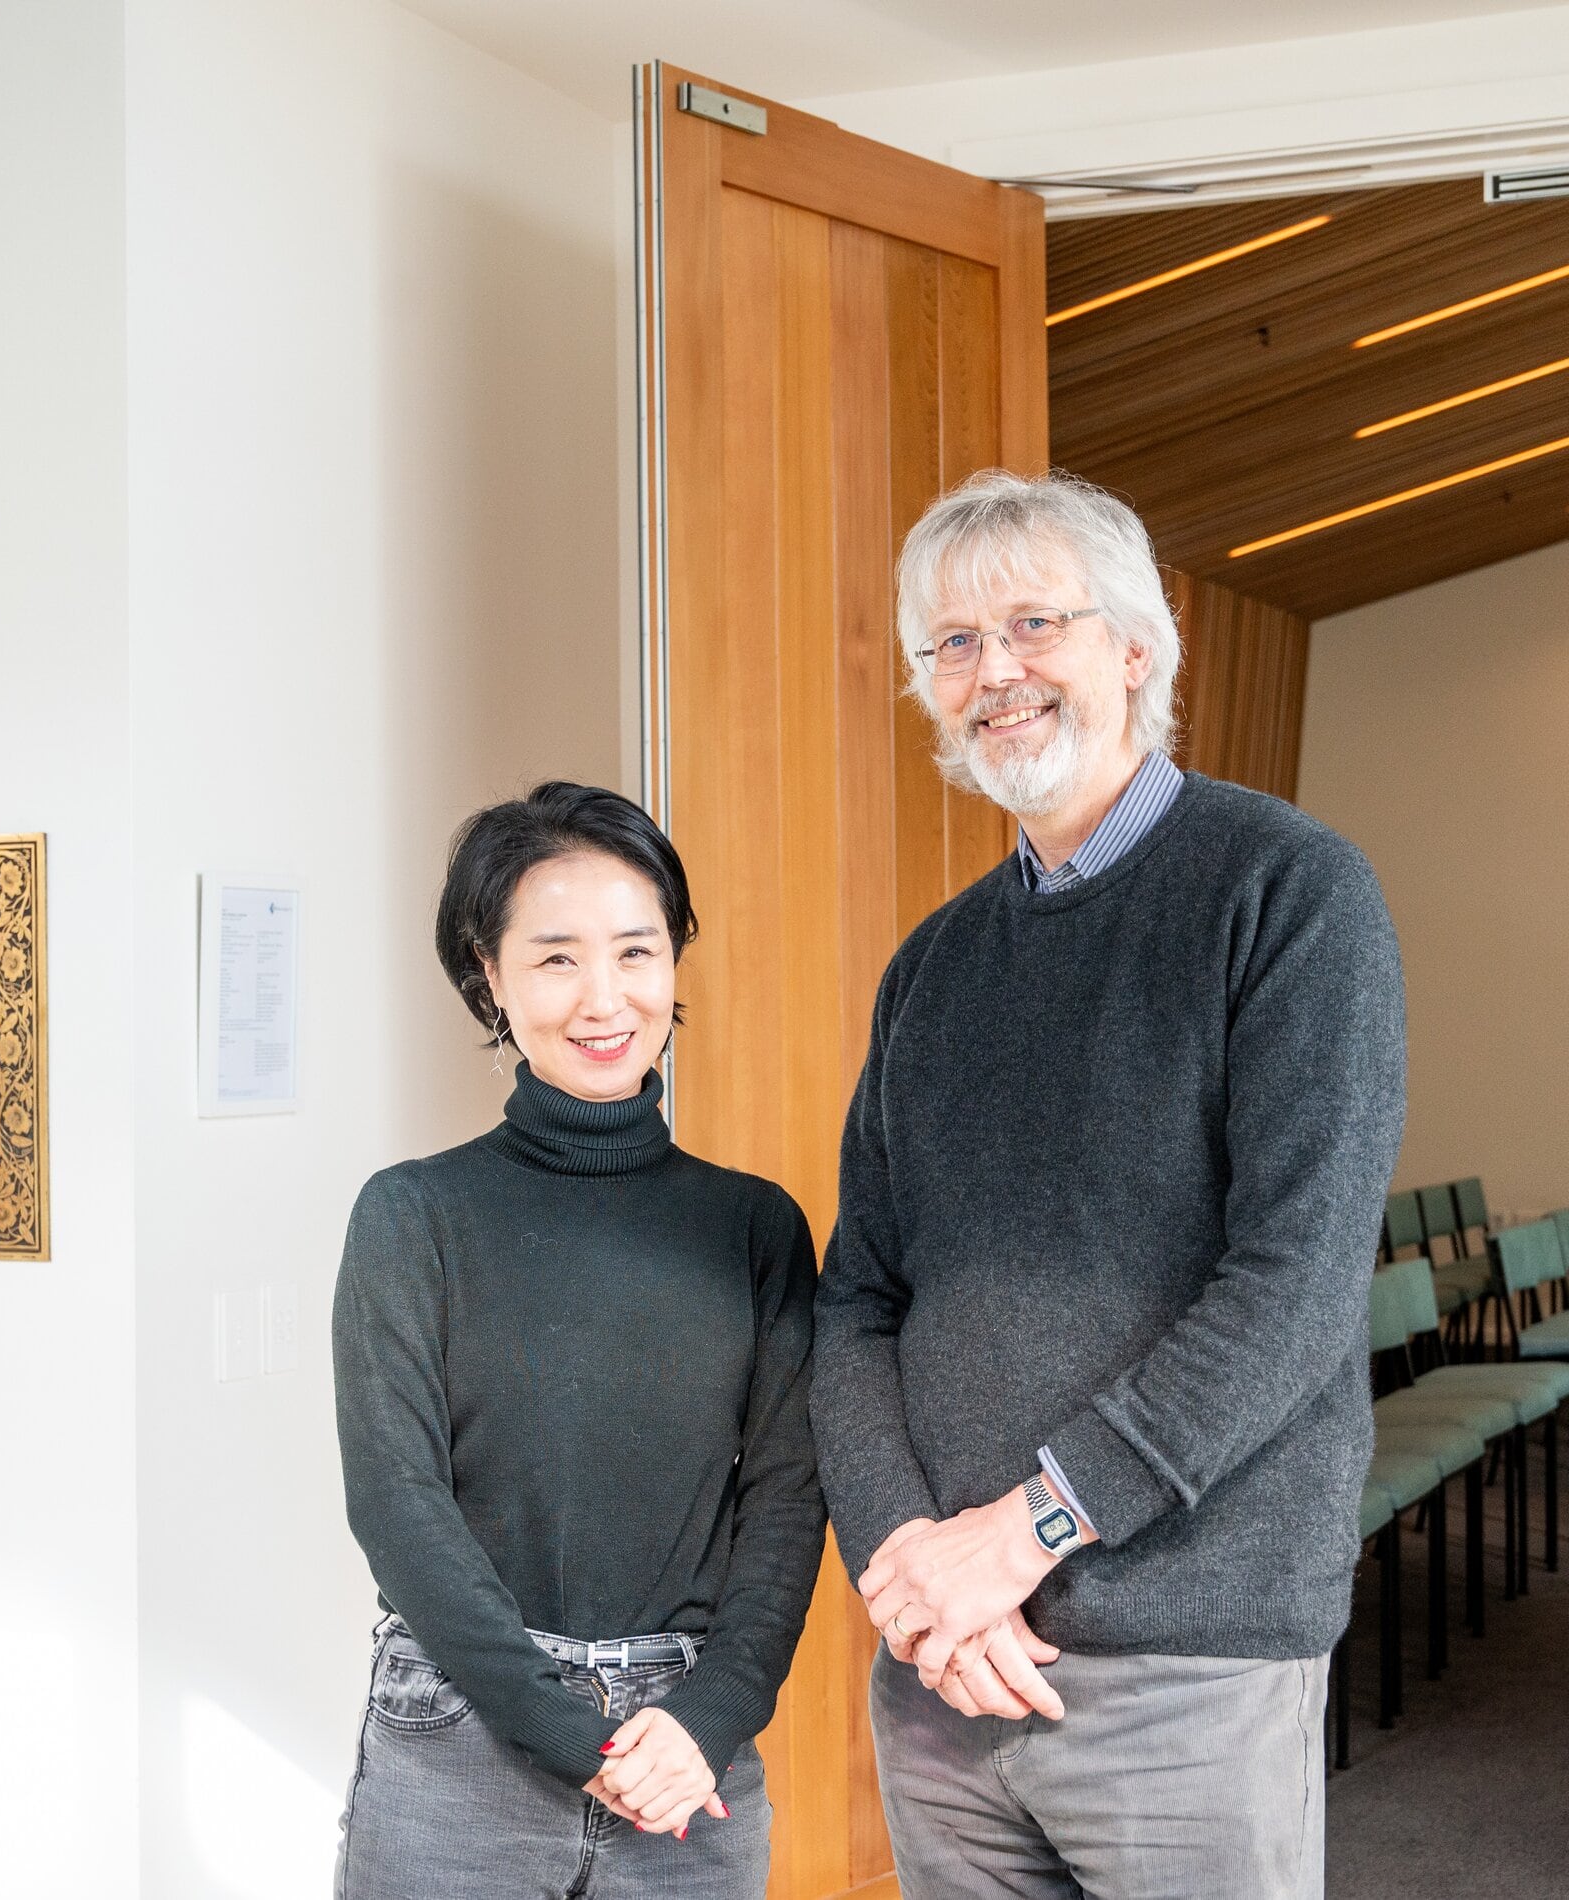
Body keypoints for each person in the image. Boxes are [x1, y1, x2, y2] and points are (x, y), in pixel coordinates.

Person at [811, 469, 1405, 1899]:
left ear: (1136, 648)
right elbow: (855, 1302)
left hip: (1190, 1666)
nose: (992, 671)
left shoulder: (1290, 893)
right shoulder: (933, 969)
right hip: (948, 1674)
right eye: (950, 645)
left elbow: (1299, 1283)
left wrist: (1025, 1535)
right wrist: (908, 1562)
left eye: (1032, 623)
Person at [332, 780, 825, 1900]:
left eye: (636, 952)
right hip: (460, 1735)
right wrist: (573, 1737)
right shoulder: (412, 1215)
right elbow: (396, 1501)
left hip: (685, 1746)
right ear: (488, 976)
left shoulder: (753, 1226)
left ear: (673, 964)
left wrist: (705, 1719)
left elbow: (788, 1502)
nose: (602, 997)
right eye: (555, 958)